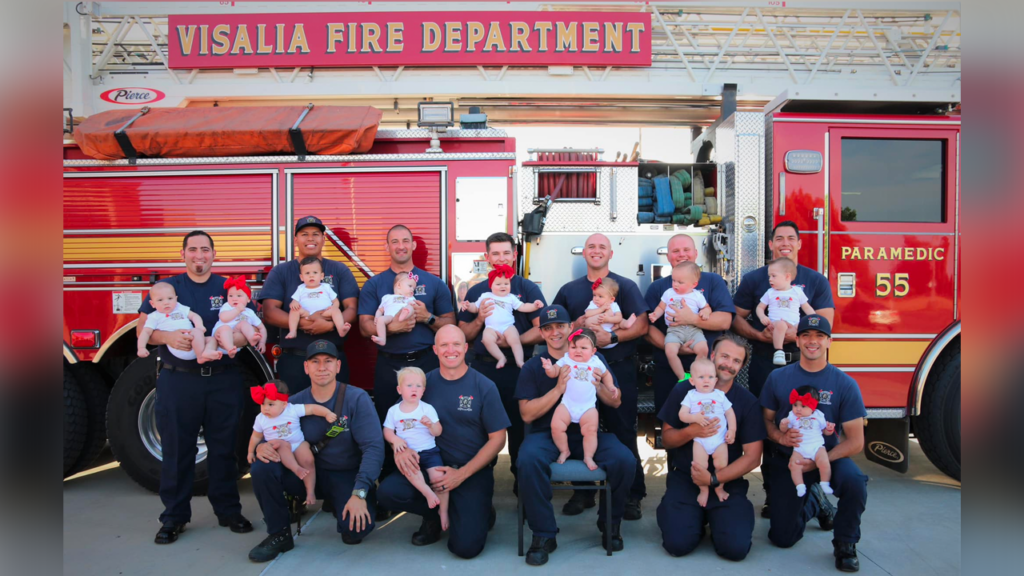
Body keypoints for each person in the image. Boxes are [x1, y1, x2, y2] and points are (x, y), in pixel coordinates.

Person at [136, 230, 256, 544]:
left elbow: (250, 325)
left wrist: (236, 339)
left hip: (223, 378)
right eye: (193, 250)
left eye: (205, 250)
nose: (199, 256)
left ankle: (228, 511)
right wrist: (167, 338)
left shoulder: (227, 287)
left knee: (224, 449)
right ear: (183, 254)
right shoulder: (167, 288)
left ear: (213, 255)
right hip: (179, 380)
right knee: (177, 451)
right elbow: (143, 327)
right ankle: (174, 518)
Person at [376, 326, 510, 559]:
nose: (451, 350)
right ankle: (434, 515)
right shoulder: (420, 384)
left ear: (466, 348)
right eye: (444, 345)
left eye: (456, 344)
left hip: (468, 471)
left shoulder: (483, 386)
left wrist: (462, 474)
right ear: (435, 350)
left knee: (465, 548)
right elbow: (396, 421)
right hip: (428, 466)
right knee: (388, 493)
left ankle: (479, 509)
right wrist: (399, 450)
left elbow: (498, 438)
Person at [515, 305, 635, 566]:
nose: (555, 332)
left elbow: (615, 402)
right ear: (542, 333)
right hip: (547, 434)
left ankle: (609, 525)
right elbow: (526, 414)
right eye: (548, 328)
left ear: (571, 328)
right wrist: (558, 389)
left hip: (587, 432)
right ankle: (544, 534)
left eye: (560, 326)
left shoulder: (595, 360)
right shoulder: (535, 366)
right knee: (527, 459)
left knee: (624, 460)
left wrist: (601, 387)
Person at [733, 221, 835, 519]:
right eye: (779, 238)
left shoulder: (815, 281)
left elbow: (825, 323)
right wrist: (758, 334)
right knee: (770, 426)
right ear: (770, 244)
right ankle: (773, 493)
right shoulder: (756, 279)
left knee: (813, 427)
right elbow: (735, 318)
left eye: (791, 238)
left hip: (808, 365)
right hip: (766, 362)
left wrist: (795, 336)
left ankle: (817, 495)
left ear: (800, 244)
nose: (785, 243)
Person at [248, 340, 384, 561]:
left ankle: (353, 499)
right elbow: (266, 431)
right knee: (262, 467)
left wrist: (360, 492)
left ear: (338, 366)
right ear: (306, 368)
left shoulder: (356, 398)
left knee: (356, 532)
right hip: (305, 473)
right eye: (315, 362)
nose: (322, 367)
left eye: (328, 361)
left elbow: (374, 448)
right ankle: (279, 534)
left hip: (344, 473)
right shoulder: (291, 403)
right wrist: (262, 446)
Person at [552, 233, 649, 519]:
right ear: (583, 253)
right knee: (580, 431)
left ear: (611, 254)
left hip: (617, 367)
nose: (596, 251)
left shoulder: (625, 287)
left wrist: (613, 337)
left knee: (623, 431)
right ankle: (583, 493)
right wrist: (579, 323)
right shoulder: (569, 290)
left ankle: (633, 494)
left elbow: (642, 325)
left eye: (602, 247)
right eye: (591, 246)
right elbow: (557, 327)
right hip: (578, 373)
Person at [760, 315, 867, 572]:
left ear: (829, 341)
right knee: (782, 538)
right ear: (796, 340)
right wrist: (780, 437)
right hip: (790, 459)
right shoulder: (778, 378)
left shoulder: (844, 384)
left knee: (854, 482)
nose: (812, 341)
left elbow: (855, 442)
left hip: (827, 456)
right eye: (806, 335)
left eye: (819, 336)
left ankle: (845, 543)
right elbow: (766, 421)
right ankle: (816, 502)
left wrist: (819, 461)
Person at [656, 333, 765, 561]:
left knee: (735, 549)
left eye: (737, 361)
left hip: (725, 480)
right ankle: (689, 515)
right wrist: (692, 430)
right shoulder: (684, 390)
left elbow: (753, 457)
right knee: (677, 544)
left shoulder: (747, 402)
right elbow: (666, 439)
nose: (729, 364)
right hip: (687, 477)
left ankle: (718, 517)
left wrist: (714, 479)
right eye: (725, 356)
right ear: (713, 356)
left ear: (742, 366)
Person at [457, 232, 546, 492]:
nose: (500, 258)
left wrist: (509, 341)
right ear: (487, 257)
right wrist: (479, 320)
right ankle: (480, 489)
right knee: (483, 431)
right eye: (495, 253)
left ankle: (524, 487)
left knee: (522, 430)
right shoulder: (476, 291)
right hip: (484, 369)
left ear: (514, 255)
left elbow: (542, 329)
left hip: (521, 370)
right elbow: (464, 335)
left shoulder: (526, 288)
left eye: (506, 253)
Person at [260, 216, 360, 390]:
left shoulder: (340, 270)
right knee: (294, 413)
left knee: (336, 414)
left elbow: (352, 308)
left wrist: (329, 326)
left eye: (316, 234)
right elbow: (269, 311)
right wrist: (304, 323)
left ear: (323, 238)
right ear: (296, 239)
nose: (311, 238)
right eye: (304, 234)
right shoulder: (281, 272)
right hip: (294, 361)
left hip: (333, 359)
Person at [644, 234, 734, 417]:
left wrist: (691, 319)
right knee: (670, 425)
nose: (681, 254)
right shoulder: (659, 288)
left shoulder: (712, 281)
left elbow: (725, 320)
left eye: (686, 250)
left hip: (708, 372)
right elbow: (646, 328)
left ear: (695, 253)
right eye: (676, 251)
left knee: (712, 422)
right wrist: (675, 348)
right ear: (668, 256)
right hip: (668, 371)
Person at [246, 380, 339, 506]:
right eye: (263, 404)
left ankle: (310, 491)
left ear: (284, 404)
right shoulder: (261, 419)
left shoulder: (292, 410)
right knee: (282, 445)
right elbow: (256, 437)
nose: (266, 408)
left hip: (298, 443)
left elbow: (312, 409)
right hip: (279, 447)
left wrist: (327, 413)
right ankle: (296, 469)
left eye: (271, 404)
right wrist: (251, 451)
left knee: (308, 460)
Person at [381, 367, 449, 529]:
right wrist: (395, 440)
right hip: (408, 454)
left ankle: (444, 511)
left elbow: (438, 431)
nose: (414, 389)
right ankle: (427, 493)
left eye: (418, 386)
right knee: (411, 472)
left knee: (439, 478)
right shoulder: (394, 411)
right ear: (399, 389)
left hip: (429, 451)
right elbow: (387, 431)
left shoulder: (427, 409)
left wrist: (431, 425)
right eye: (409, 385)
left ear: (423, 390)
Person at [541, 327, 617, 470]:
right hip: (567, 404)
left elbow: (606, 374)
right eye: (573, 347)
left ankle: (588, 456)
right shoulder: (566, 359)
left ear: (593, 351)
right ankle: (564, 450)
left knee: (591, 431)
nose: (578, 351)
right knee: (556, 427)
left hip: (587, 407)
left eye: (583, 347)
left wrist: (611, 386)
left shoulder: (596, 361)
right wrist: (549, 368)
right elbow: (554, 372)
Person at [677, 357, 736, 507]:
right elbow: (682, 415)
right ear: (692, 381)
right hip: (700, 441)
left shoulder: (719, 395)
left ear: (715, 380)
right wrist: (694, 417)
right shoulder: (691, 396)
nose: (706, 380)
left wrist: (732, 430)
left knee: (722, 465)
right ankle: (703, 490)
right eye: (701, 377)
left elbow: (730, 413)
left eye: (710, 377)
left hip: (719, 439)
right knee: (699, 466)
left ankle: (719, 488)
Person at [459, 264, 544, 368]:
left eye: (506, 283)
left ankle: (520, 361)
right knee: (486, 340)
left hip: (508, 326)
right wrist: (468, 305)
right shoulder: (486, 295)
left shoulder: (511, 297)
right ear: (491, 286)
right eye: (498, 284)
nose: (503, 286)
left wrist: (534, 306)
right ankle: (501, 358)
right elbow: (475, 307)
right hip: (491, 327)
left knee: (515, 340)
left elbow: (523, 306)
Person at [649, 261, 713, 379]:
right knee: (670, 351)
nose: (675, 284)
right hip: (674, 330)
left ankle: (695, 375)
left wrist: (705, 312)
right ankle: (682, 377)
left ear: (693, 284)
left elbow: (706, 307)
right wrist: (655, 315)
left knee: (703, 349)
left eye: (680, 282)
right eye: (673, 280)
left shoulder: (697, 295)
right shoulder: (668, 293)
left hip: (694, 330)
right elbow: (661, 307)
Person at [756, 258, 816, 365]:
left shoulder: (797, 291)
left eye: (774, 276)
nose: (770, 279)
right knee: (781, 325)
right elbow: (760, 307)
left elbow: (806, 307)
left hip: (794, 324)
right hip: (776, 323)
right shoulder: (770, 292)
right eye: (769, 276)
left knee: (802, 327)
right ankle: (779, 351)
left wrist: (814, 318)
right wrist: (762, 317)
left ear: (787, 277)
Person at [780, 385, 836, 497]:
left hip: (816, 447)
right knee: (794, 465)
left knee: (824, 462)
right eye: (795, 405)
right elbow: (783, 430)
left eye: (803, 406)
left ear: (813, 407)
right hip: (799, 448)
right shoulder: (792, 416)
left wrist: (829, 429)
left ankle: (824, 482)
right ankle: (800, 486)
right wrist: (783, 424)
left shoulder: (818, 415)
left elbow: (825, 431)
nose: (798, 409)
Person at [137, 282, 208, 362]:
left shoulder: (180, 308)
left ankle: (209, 352)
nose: (166, 302)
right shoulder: (154, 317)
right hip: (179, 347)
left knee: (211, 340)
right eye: (160, 300)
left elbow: (194, 316)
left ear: (176, 299)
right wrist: (141, 348)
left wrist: (199, 326)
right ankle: (201, 357)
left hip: (195, 341)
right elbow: (145, 332)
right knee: (197, 332)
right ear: (152, 303)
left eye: (170, 298)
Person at [285, 256, 350, 341]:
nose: (311, 276)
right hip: (307, 313)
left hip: (324, 312)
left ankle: (341, 329)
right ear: (301, 277)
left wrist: (334, 307)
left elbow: (335, 301)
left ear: (322, 276)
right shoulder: (301, 288)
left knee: (336, 311)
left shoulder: (326, 287)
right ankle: (293, 331)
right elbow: (295, 300)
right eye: (307, 273)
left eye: (315, 273)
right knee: (294, 311)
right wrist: (293, 303)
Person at [208, 275, 266, 359]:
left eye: (239, 296)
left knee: (244, 323)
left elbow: (262, 328)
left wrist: (262, 342)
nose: (234, 299)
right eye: (230, 296)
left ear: (248, 299)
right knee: (226, 328)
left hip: (236, 336)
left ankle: (251, 338)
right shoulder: (227, 306)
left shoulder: (249, 312)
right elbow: (223, 318)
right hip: (221, 333)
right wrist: (237, 310)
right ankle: (229, 348)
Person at [582, 276, 637, 346]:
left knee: (621, 320)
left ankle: (626, 324)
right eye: (594, 295)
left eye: (600, 296)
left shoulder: (613, 305)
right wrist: (601, 309)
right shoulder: (593, 304)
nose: (596, 298)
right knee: (588, 321)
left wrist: (608, 319)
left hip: (611, 335)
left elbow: (618, 317)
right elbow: (587, 314)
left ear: (611, 299)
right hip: (598, 335)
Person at [370, 271, 418, 346]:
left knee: (410, 307)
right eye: (410, 286)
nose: (412, 289)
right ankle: (382, 339)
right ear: (399, 285)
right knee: (381, 320)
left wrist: (412, 304)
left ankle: (404, 313)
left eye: (413, 288)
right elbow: (380, 310)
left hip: (405, 316)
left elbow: (415, 306)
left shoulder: (410, 298)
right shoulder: (387, 297)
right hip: (390, 317)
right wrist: (377, 316)